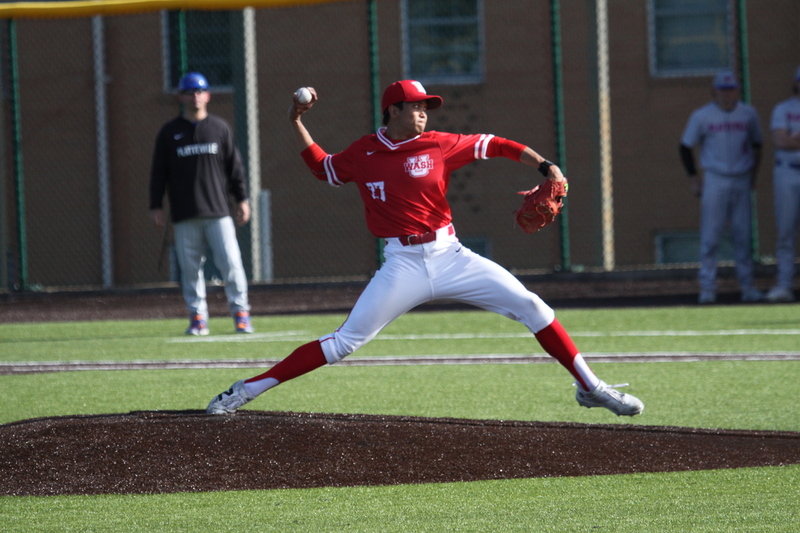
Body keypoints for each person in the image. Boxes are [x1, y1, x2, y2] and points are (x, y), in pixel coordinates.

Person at [206, 80, 643, 416]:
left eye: (425, 107)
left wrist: (546, 165)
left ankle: (591, 386)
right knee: (343, 343)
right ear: (393, 110)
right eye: (415, 106)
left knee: (533, 306)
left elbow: (497, 145)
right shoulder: (364, 152)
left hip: (451, 256)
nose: (423, 113)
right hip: (402, 265)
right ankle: (246, 390)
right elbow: (324, 169)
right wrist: (296, 121)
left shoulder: (438, 144)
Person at [149, 72, 254, 335]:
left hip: (218, 213)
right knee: (190, 270)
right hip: (185, 214)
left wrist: (242, 199)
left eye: (200, 91)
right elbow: (158, 171)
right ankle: (198, 318)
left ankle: (241, 314)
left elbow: (235, 168)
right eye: (189, 92)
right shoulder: (169, 132)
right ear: (181, 97)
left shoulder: (219, 128)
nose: (195, 96)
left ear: (207, 95)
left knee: (231, 264)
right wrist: (155, 204)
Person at [680, 70, 764, 304]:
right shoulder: (702, 115)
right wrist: (694, 178)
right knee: (711, 235)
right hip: (715, 178)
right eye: (723, 90)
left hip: (741, 177)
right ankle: (707, 288)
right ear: (714, 91)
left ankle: (748, 287)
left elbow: (758, 145)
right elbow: (685, 146)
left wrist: (754, 176)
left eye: (731, 89)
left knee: (743, 235)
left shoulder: (749, 114)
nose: (727, 94)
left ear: (737, 90)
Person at [765, 66, 800, 303]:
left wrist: (794, 138)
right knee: (786, 231)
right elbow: (780, 140)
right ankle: (785, 284)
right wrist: (790, 140)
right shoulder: (783, 108)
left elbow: (790, 139)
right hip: (787, 173)